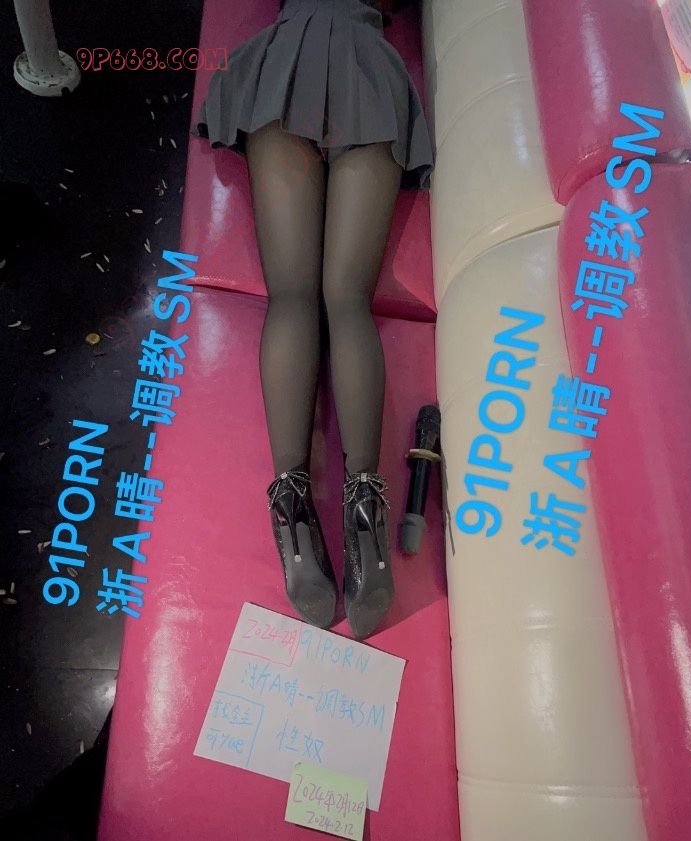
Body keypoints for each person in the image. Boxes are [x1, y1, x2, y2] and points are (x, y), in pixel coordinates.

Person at [191, 0, 434, 639]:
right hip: (366, 73)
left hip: (285, 64)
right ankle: (366, 509)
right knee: (347, 299)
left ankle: (292, 510)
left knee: (292, 296)